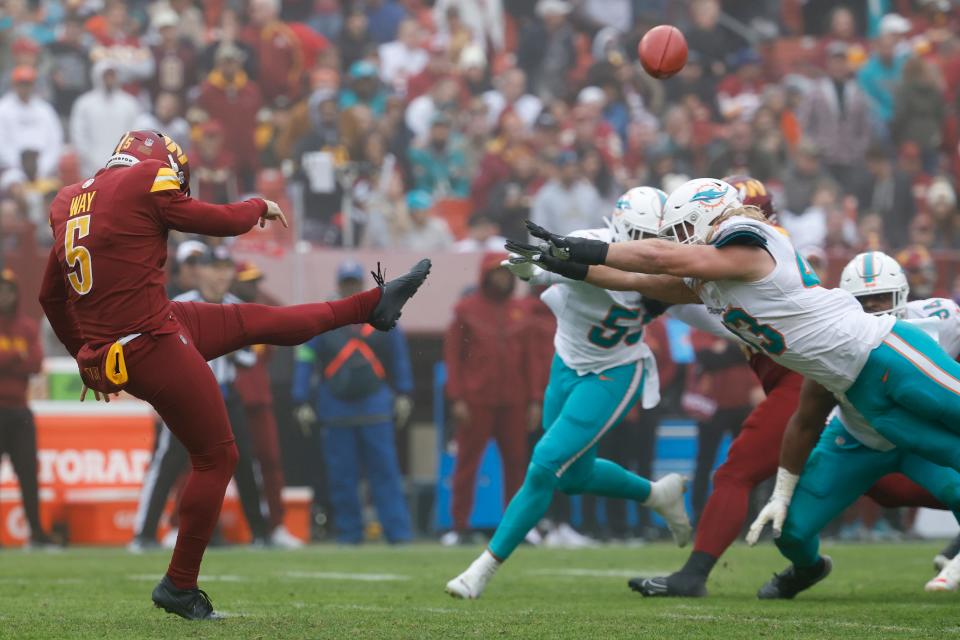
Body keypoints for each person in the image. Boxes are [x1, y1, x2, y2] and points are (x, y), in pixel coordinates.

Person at [38, 129, 430, 619]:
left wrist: (85, 354)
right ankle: (179, 585)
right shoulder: (143, 181)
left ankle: (372, 303)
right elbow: (214, 221)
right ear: (160, 164)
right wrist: (256, 205)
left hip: (146, 328)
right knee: (217, 455)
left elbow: (51, 298)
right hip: (149, 341)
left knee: (256, 321)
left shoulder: (68, 200)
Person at [512, 177, 960, 595]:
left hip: (884, 351)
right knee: (949, 452)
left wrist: (586, 248)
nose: (676, 238)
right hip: (853, 389)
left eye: (685, 227)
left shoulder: (749, 241)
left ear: (713, 215)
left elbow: (659, 258)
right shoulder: (714, 273)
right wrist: (572, 267)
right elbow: (645, 280)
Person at [445, 188, 691, 599]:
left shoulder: (671, 264)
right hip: (566, 362)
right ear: (620, 230)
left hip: (615, 370)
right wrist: (526, 267)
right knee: (574, 477)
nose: (649, 248)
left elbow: (698, 307)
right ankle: (656, 494)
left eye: (656, 238)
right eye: (641, 237)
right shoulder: (590, 244)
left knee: (544, 464)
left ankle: (482, 569)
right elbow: (545, 270)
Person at [754, 251, 960, 597]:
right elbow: (806, 421)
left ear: (903, 297)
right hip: (854, 442)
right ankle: (808, 568)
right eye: (865, 301)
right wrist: (781, 492)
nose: (875, 308)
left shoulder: (942, 319)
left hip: (921, 442)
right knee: (791, 533)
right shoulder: (836, 342)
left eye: (883, 298)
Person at [129, 247, 273, 552]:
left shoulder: (238, 307)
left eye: (225, 268)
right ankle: (143, 534)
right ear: (200, 271)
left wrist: (227, 346)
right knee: (168, 463)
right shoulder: (179, 305)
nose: (220, 275)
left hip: (225, 394)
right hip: (186, 398)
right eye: (213, 268)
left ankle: (261, 533)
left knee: (245, 463)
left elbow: (249, 358)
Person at [291, 261, 414, 545]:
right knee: (342, 477)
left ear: (362, 284)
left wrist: (405, 393)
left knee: (385, 474)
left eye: (354, 283)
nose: (350, 287)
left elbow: (399, 358)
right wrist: (300, 399)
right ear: (340, 285)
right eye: (346, 283)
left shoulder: (384, 314)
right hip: (337, 410)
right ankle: (349, 534)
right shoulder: (324, 319)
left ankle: (398, 534)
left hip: (374, 409)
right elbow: (305, 360)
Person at [441, 252, 530, 547]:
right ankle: (459, 526)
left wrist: (536, 400)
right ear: (485, 275)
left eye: (507, 273)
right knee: (467, 463)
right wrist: (456, 398)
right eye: (497, 272)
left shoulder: (522, 310)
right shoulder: (465, 310)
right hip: (476, 399)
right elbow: (453, 358)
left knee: (518, 463)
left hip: (514, 399)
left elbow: (532, 360)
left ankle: (516, 527)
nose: (503, 278)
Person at [231, 261, 302, 549]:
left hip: (258, 396)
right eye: (247, 281)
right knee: (208, 464)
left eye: (255, 281)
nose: (253, 287)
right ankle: (185, 527)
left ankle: (275, 526)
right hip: (228, 397)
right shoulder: (219, 310)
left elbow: (270, 351)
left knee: (271, 460)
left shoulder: (262, 309)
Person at [0, 268, 54, 547]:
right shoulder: (23, 331)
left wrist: (9, 360)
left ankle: (36, 533)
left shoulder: (27, 326)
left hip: (20, 411)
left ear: (15, 294)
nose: (3, 296)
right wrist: (15, 356)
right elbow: (22, 359)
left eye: (8, 290)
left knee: (28, 474)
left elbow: (35, 363)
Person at [69, 61, 144, 178]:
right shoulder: (84, 103)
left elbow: (136, 134)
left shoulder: (129, 103)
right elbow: (78, 136)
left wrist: (123, 161)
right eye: (106, 75)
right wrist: (90, 160)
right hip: (90, 169)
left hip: (123, 168)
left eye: (112, 75)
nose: (109, 79)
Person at [0, 66, 63, 178]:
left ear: (33, 85)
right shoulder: (3, 108)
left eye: (27, 84)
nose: (24, 88)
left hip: (44, 169)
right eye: (21, 83)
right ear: (14, 84)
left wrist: (42, 167)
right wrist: (19, 167)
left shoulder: (45, 109)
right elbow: (2, 144)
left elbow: (55, 140)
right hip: (12, 170)